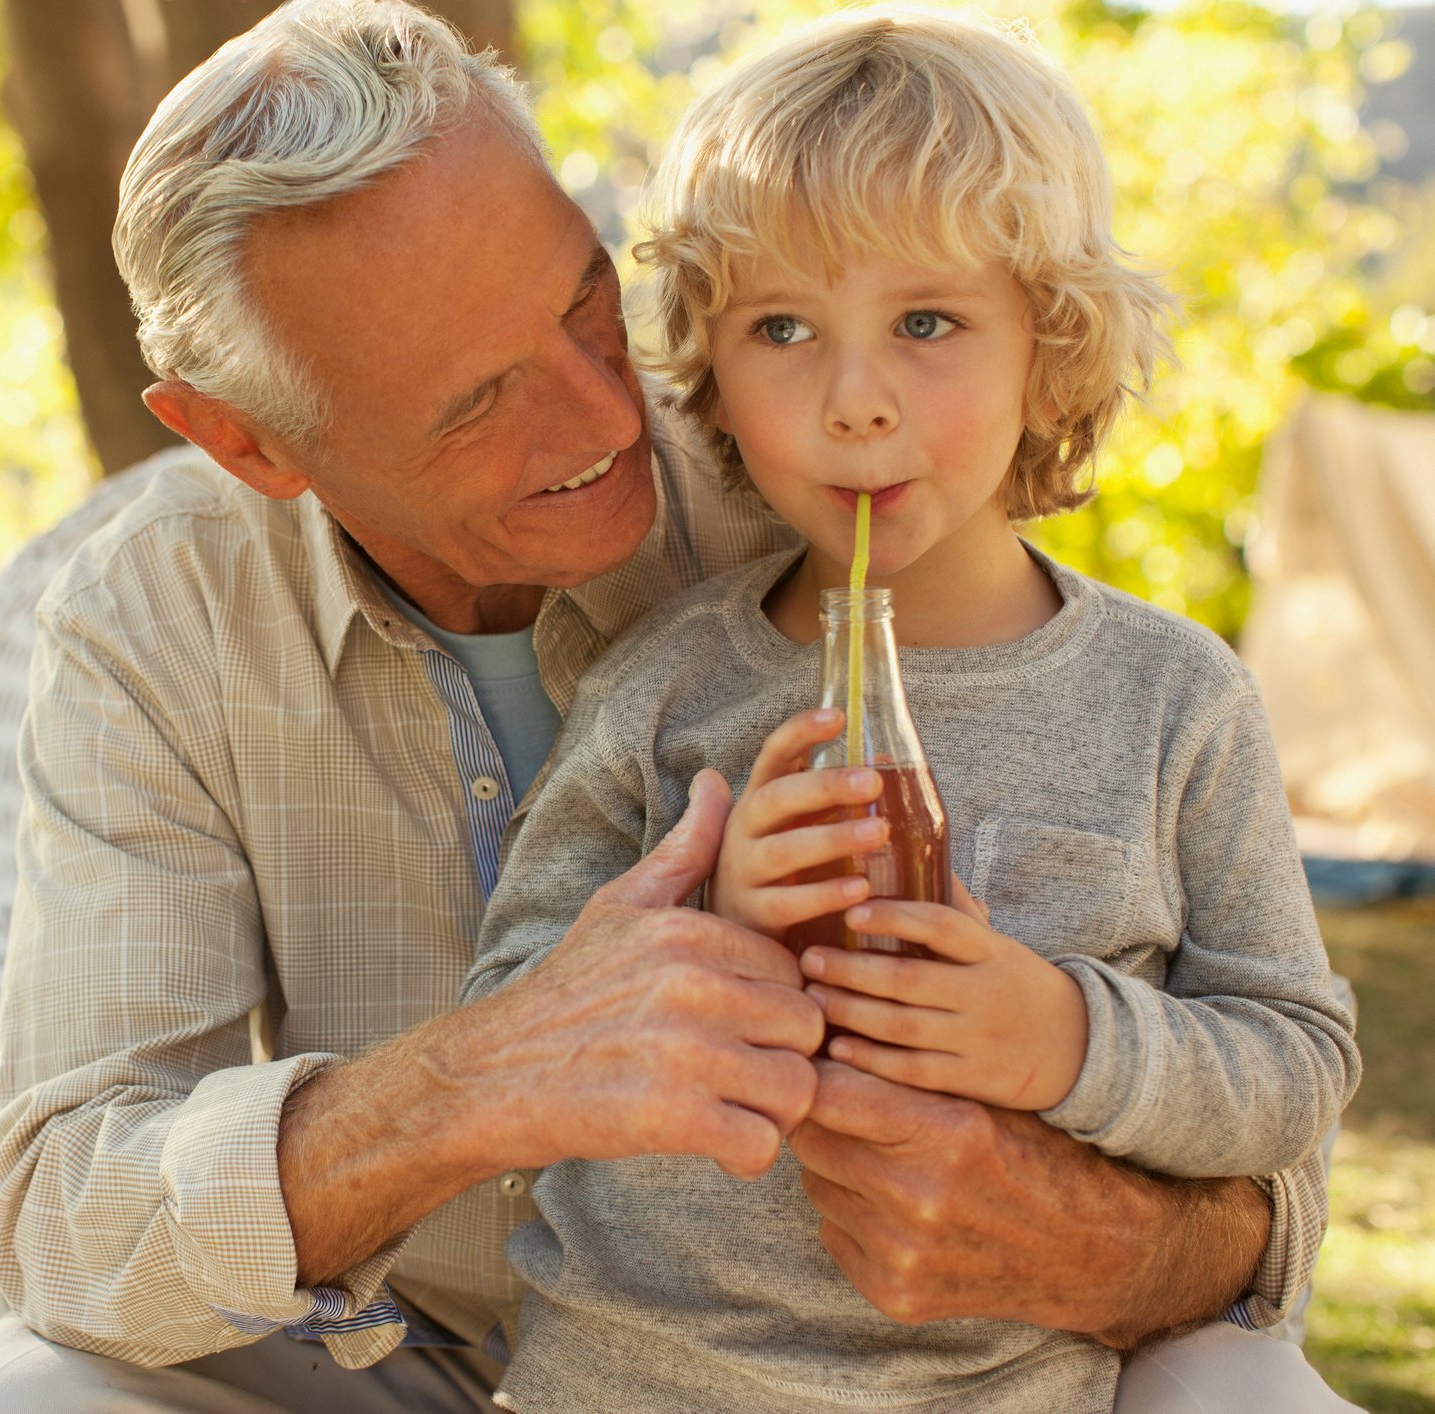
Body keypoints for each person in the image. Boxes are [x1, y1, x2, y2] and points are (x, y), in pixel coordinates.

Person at [0, 2, 1346, 1409]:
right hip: (399, 1350)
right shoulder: (158, 619)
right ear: (246, 441)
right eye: (472, 398)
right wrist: (483, 1076)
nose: (604, 413)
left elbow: (1261, 1093)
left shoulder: (828, 487)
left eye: (582, 301)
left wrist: (1080, 1179)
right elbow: (65, 1220)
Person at [460, 10, 1361, 1412]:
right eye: (781, 329)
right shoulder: (661, 686)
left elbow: (1294, 1066)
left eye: (925, 322)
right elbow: (506, 1027)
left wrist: (1065, 1037)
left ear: (1047, 347)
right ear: (708, 369)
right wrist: (715, 938)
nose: (855, 401)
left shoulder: (1171, 700)